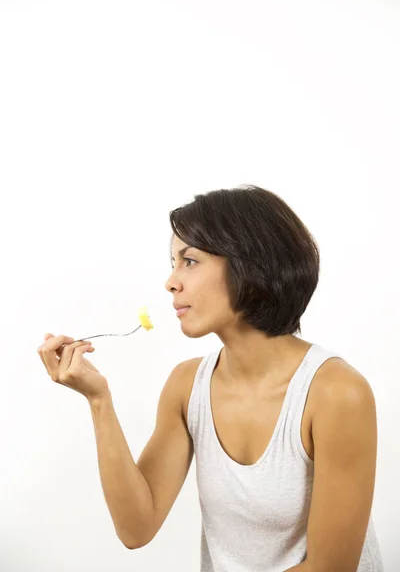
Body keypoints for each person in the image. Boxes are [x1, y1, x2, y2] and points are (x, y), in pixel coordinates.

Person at [37, 184, 384, 572]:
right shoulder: (187, 387)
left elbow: (331, 569)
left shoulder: (337, 394)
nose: (171, 281)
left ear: (249, 266)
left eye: (190, 261)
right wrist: (98, 400)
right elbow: (136, 527)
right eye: (172, 262)